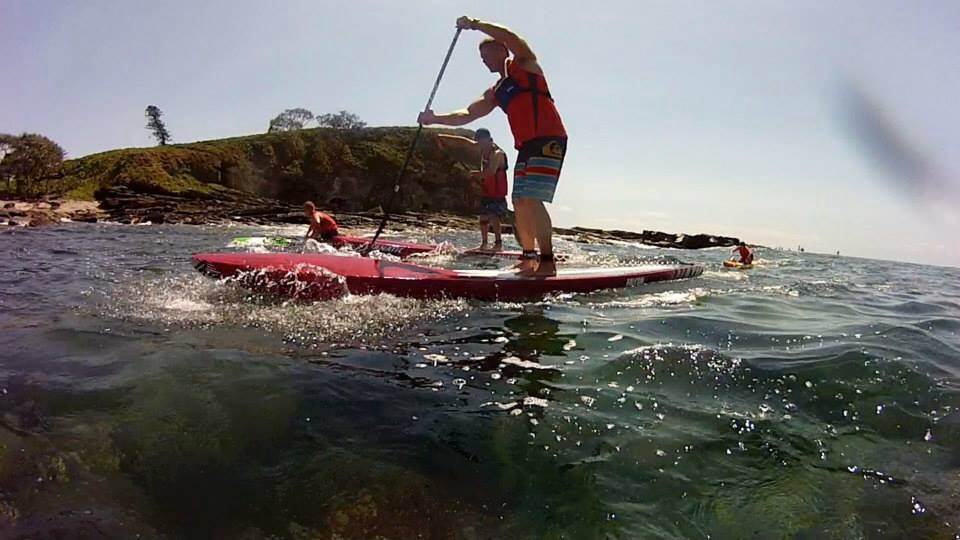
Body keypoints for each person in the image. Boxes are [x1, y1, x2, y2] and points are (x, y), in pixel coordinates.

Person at [418, 16, 567, 276]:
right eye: (481, 57)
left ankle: (547, 261)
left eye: (487, 54)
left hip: (549, 138)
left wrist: (475, 24)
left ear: (502, 50)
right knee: (519, 201)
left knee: (532, 199)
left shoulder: (525, 64)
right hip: (526, 146)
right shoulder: (497, 91)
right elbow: (467, 114)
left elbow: (511, 37)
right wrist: (434, 119)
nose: (484, 60)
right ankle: (528, 257)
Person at [437, 128, 508, 251]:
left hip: (497, 192)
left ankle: (498, 244)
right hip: (486, 190)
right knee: (483, 217)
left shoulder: (498, 154)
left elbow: (491, 172)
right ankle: (484, 244)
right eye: (478, 142)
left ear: (489, 140)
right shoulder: (480, 146)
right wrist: (443, 137)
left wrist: (475, 174)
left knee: (493, 216)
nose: (480, 145)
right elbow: (464, 142)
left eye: (482, 142)